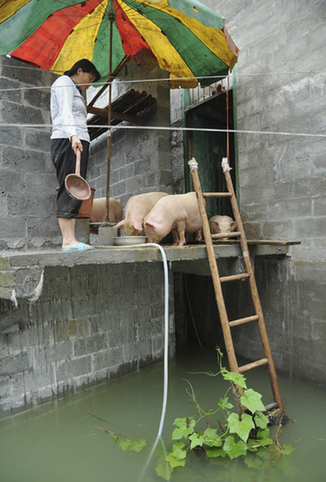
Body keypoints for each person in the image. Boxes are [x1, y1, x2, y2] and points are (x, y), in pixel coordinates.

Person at [50, 58, 101, 251]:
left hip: (77, 140)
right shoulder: (64, 82)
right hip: (67, 139)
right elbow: (64, 113)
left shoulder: (76, 90)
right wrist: (73, 135)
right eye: (89, 78)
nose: (90, 84)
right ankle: (68, 241)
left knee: (76, 189)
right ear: (79, 71)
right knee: (69, 186)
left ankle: (71, 239)